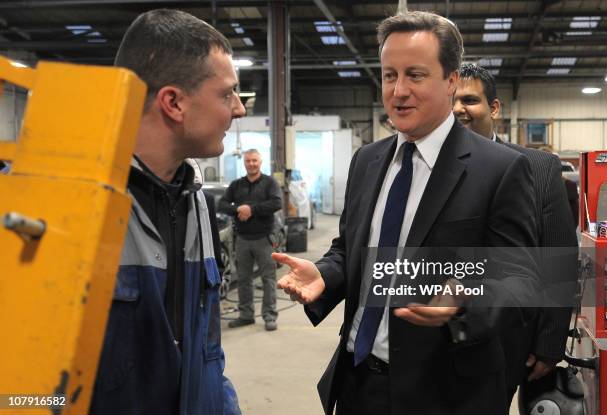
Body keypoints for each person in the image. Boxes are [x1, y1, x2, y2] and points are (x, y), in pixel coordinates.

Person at [273, 11, 540, 415]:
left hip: (445, 391)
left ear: (450, 80)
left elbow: (520, 276)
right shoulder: (367, 160)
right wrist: (325, 275)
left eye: (415, 75)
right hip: (358, 381)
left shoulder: (500, 169)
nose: (398, 91)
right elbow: (351, 250)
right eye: (388, 75)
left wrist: (465, 297)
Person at [90, 9, 245, 415]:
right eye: (227, 94)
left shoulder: (198, 205)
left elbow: (206, 353)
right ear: (173, 102)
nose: (239, 109)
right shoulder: (60, 204)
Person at [453, 62, 578, 405]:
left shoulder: (538, 168)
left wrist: (550, 343)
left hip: (508, 341)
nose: (457, 110)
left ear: (494, 108)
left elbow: (559, 258)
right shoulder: (430, 170)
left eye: (469, 100)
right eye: (451, 100)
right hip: (441, 335)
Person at [219, 149, 282, 331]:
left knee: (268, 279)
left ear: (260, 162)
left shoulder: (270, 183)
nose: (251, 164)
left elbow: (277, 203)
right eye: (248, 161)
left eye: (254, 160)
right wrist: (239, 209)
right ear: (244, 163)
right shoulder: (237, 185)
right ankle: (246, 315)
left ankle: (269, 316)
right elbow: (221, 204)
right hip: (243, 240)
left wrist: (251, 210)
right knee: (243, 280)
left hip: (264, 239)